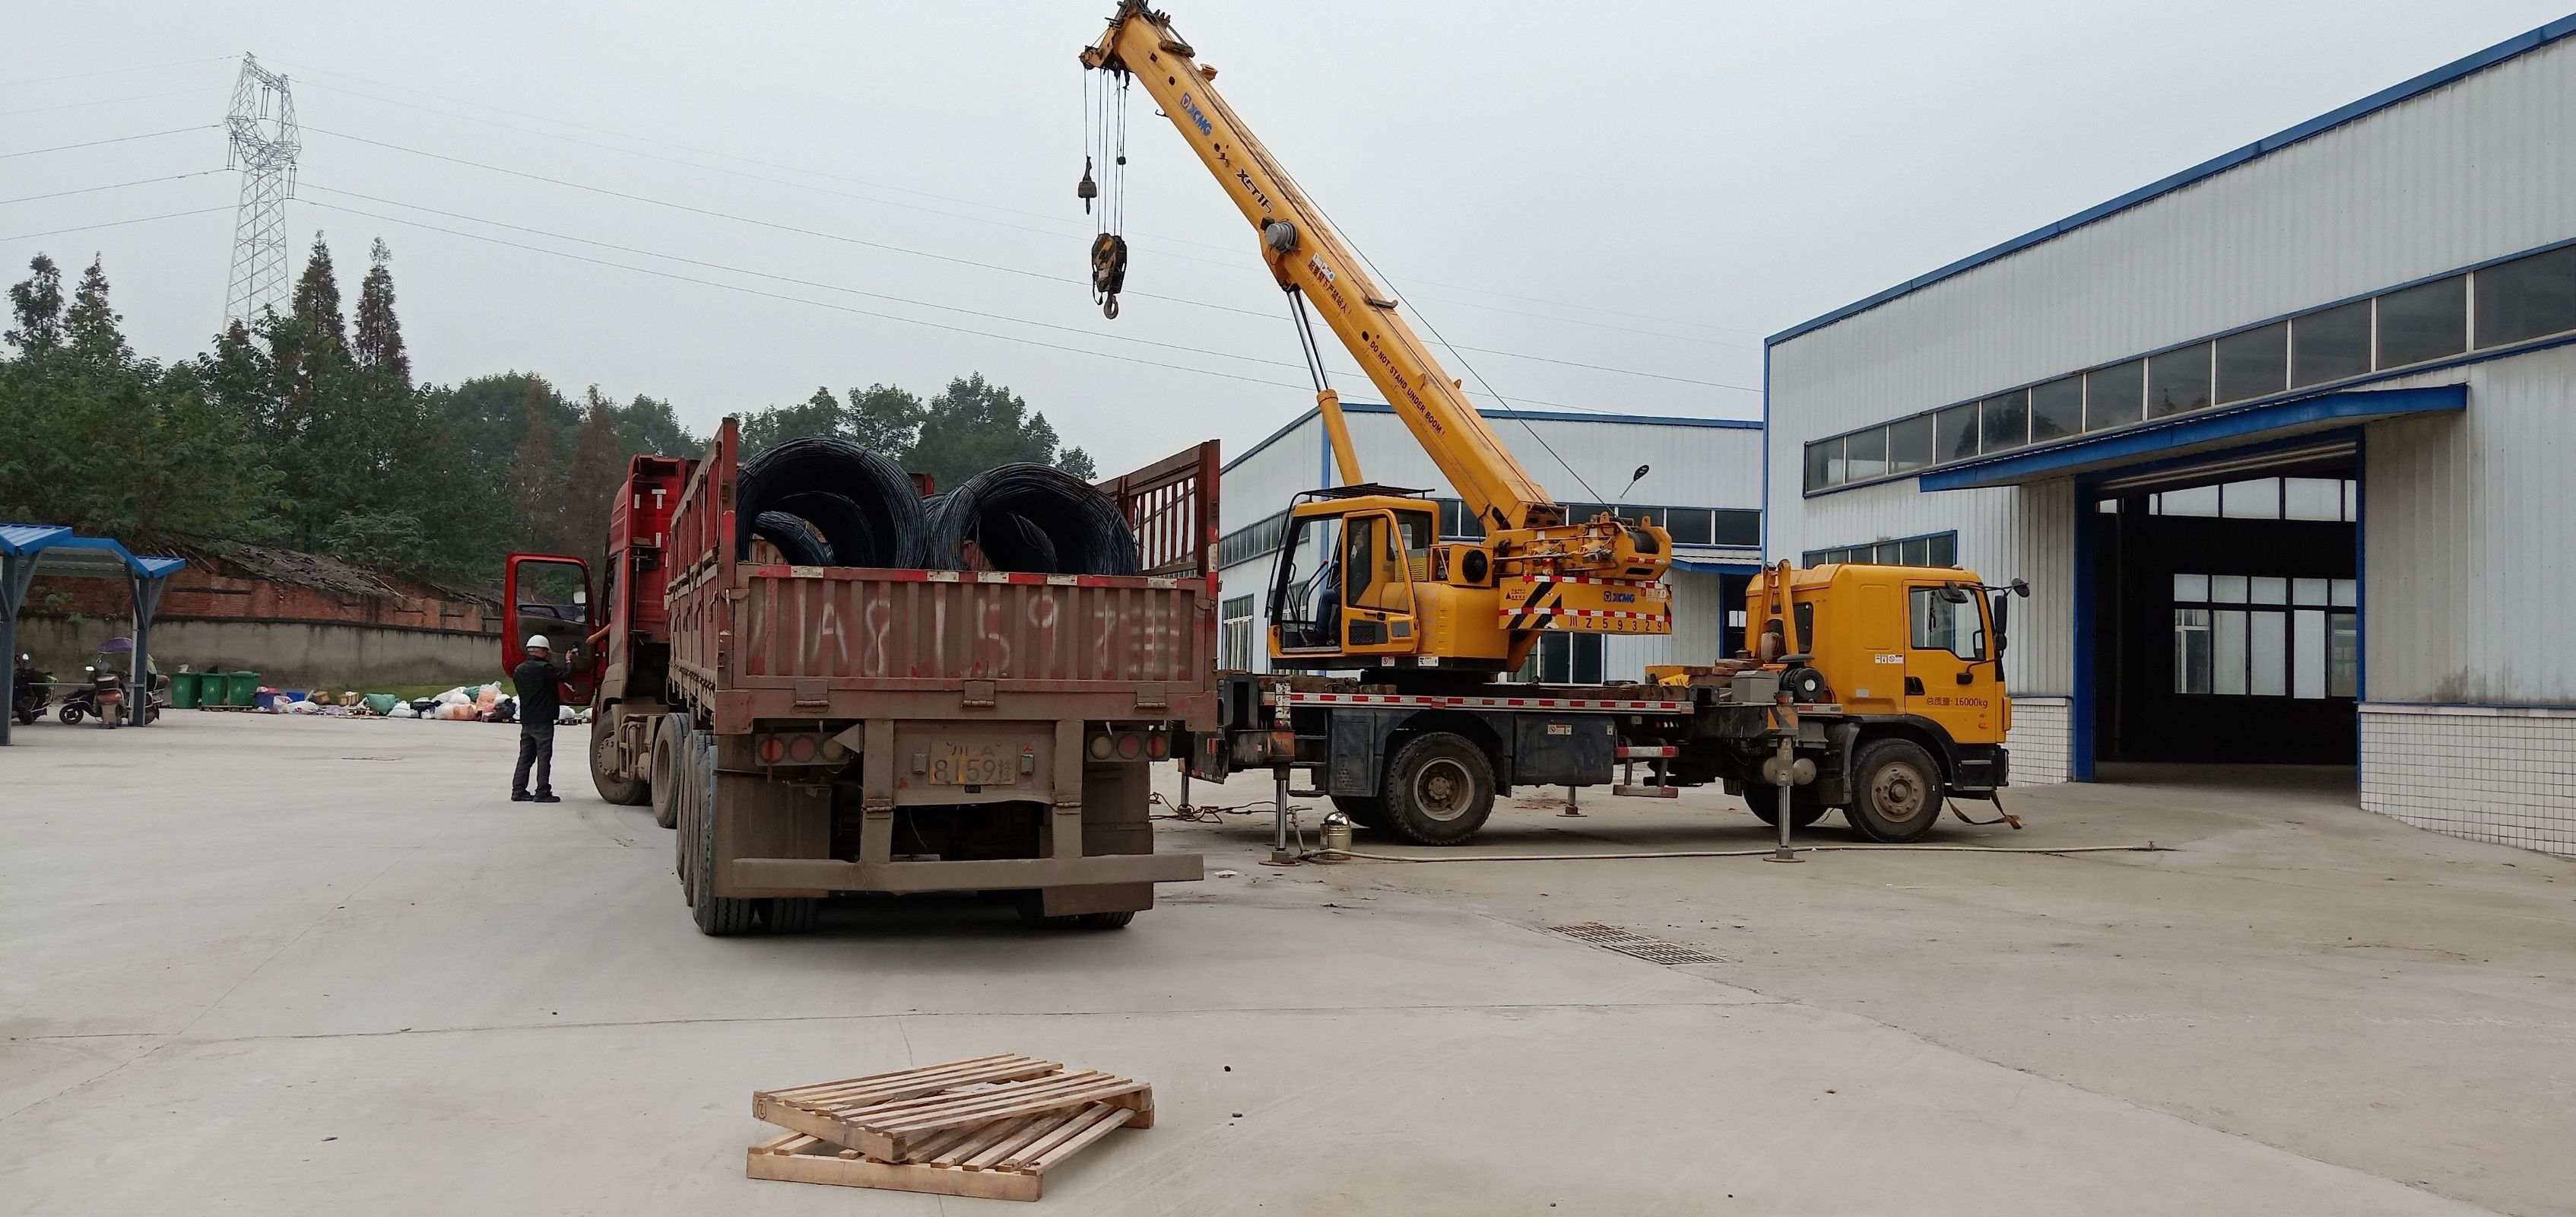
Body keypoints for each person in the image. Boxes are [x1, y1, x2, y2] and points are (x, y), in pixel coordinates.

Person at [511, 635, 566, 802]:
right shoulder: (545, 669)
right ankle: (543, 791)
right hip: (543, 719)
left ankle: (518, 791)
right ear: (542, 651)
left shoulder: (519, 670)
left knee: (525, 757)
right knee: (544, 756)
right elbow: (566, 676)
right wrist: (569, 661)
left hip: (527, 719)